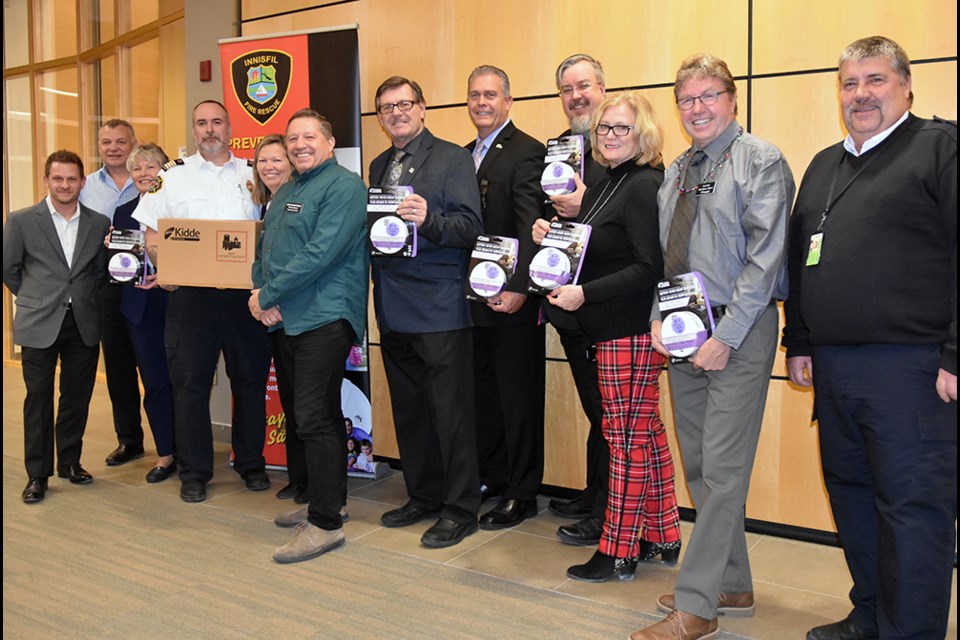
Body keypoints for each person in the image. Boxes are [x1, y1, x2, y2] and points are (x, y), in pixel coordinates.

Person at [782, 36, 957, 640]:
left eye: (875, 80)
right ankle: (873, 615)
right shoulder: (825, 165)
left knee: (911, 511)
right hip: (834, 366)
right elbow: (801, 256)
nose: (861, 94)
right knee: (853, 497)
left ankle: (910, 632)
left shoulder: (941, 148)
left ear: (907, 86)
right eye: (850, 83)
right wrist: (798, 340)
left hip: (911, 369)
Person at [631, 54, 795, 640]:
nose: (696, 108)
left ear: (731, 99)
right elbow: (666, 260)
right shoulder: (676, 171)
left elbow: (765, 259)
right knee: (700, 464)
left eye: (708, 96)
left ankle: (697, 606)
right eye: (686, 99)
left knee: (723, 470)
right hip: (682, 333)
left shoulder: (761, 161)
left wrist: (725, 338)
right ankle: (732, 583)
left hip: (739, 334)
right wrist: (658, 319)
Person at [533, 92, 682, 582]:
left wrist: (584, 294)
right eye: (604, 129)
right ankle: (662, 534)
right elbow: (593, 245)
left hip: (630, 329)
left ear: (643, 134)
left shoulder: (643, 184)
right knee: (646, 435)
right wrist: (551, 237)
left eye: (622, 128)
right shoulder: (607, 182)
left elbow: (648, 268)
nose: (612, 136)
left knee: (624, 442)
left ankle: (618, 548)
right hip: (614, 329)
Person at [134, 100, 271, 503]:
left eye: (216, 122)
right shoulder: (171, 178)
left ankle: (251, 463)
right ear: (194, 130)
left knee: (250, 381)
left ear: (230, 127)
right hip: (192, 299)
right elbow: (152, 235)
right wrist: (169, 267)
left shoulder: (254, 173)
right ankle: (194, 471)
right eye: (201, 123)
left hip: (246, 297)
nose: (209, 129)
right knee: (190, 384)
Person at [369, 75, 484, 548]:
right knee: (411, 409)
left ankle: (460, 509)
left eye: (404, 104)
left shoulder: (453, 158)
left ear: (422, 109)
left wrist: (428, 220)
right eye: (386, 108)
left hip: (439, 306)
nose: (396, 113)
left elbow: (472, 226)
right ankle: (423, 494)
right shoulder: (379, 164)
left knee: (450, 413)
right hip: (393, 305)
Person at [251, 109, 368, 564]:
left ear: (330, 141)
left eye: (308, 137)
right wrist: (260, 292)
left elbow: (322, 254)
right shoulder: (288, 190)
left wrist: (268, 294)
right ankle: (328, 498)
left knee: (315, 416)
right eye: (293, 138)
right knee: (308, 417)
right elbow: (268, 248)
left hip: (325, 316)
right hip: (285, 316)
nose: (299, 145)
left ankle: (325, 526)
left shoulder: (345, 188)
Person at [464, 65, 546, 529]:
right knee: (484, 397)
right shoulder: (462, 155)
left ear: (508, 101)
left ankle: (522, 491)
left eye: (490, 94)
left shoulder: (526, 152)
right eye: (474, 95)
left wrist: (520, 289)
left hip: (512, 302)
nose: (481, 103)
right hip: (471, 301)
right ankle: (492, 478)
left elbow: (529, 225)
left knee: (518, 398)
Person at [3, 150, 111, 503]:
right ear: (46, 180)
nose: (65, 185)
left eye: (72, 179)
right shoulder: (21, 220)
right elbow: (10, 269)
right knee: (38, 399)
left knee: (76, 397)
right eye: (58, 178)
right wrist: (37, 296)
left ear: (82, 182)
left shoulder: (97, 222)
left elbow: (97, 273)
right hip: (39, 321)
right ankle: (38, 474)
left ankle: (70, 462)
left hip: (81, 321)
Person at [544, 54, 611, 548]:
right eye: (567, 90)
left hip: (608, 304)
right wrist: (545, 230)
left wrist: (583, 204)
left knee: (612, 411)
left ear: (602, 88)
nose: (576, 96)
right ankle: (594, 494)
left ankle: (609, 512)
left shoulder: (623, 144)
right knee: (596, 408)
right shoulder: (560, 150)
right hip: (568, 306)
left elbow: (624, 224)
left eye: (583, 85)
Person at [80, 118, 146, 467]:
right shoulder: (87, 186)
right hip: (106, 286)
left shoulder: (153, 180)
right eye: (107, 142)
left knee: (154, 364)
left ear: (133, 143)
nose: (114, 148)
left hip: (149, 285)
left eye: (121, 142)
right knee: (118, 365)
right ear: (99, 146)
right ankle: (129, 439)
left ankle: (170, 442)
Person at [111, 143, 177, 483]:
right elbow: (121, 263)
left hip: (178, 303)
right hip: (139, 308)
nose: (144, 174)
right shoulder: (122, 213)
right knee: (153, 383)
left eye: (152, 167)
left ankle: (189, 449)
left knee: (183, 380)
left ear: (164, 171)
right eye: (137, 168)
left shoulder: (179, 206)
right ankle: (166, 454)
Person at [250, 134, 303, 503]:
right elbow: (260, 261)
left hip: (299, 313)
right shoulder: (267, 207)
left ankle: (315, 482)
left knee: (309, 406)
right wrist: (260, 299)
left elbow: (304, 260)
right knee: (290, 400)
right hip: (273, 315)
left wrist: (272, 299)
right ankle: (300, 479)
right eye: (262, 161)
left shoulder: (301, 199)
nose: (269, 167)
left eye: (277, 159)